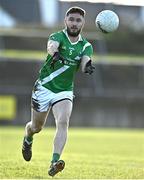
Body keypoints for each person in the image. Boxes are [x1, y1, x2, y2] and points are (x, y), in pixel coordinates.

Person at [22, 6, 95, 177]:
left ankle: (54, 162)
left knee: (63, 121)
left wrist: (87, 67)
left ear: (83, 23)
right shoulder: (57, 36)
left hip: (64, 91)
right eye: (71, 19)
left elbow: (85, 62)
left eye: (78, 20)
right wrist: (55, 54)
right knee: (36, 127)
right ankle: (27, 138)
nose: (74, 23)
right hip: (44, 87)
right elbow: (51, 47)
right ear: (65, 21)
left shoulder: (86, 46)